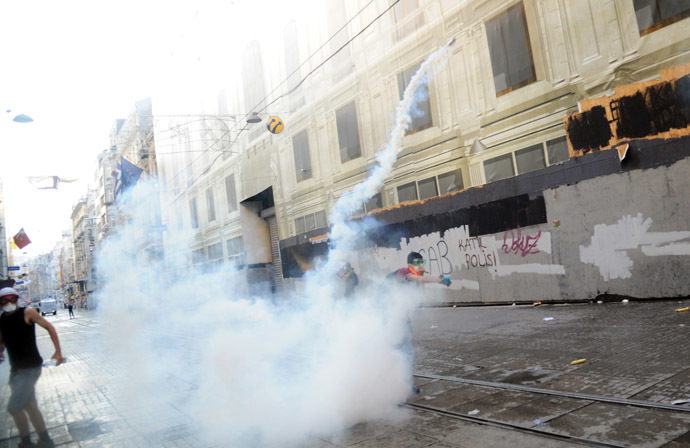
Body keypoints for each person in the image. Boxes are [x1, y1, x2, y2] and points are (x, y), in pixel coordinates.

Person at [0, 287, 63, 448]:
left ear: (17, 299)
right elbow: (3, 341)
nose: (8, 303)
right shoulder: (2, 320)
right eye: (4, 300)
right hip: (16, 371)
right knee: (30, 407)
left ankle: (26, 443)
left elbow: (50, 327)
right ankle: (45, 440)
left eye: (12, 299)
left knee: (14, 408)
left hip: (30, 369)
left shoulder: (27, 313)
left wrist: (57, 352)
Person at [393, 252, 451, 396]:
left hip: (403, 320)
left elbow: (420, 296)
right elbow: (417, 278)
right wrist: (438, 280)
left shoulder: (415, 279)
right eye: (418, 262)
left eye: (422, 262)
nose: (421, 265)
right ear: (411, 263)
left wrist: (423, 279)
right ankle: (393, 387)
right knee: (398, 353)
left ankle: (405, 386)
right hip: (391, 321)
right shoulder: (403, 272)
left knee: (408, 353)